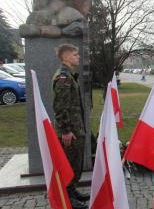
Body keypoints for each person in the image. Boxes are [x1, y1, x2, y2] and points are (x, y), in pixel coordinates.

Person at [52, 44, 89, 209]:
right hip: (70, 132)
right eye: (75, 55)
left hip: (76, 129)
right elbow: (60, 107)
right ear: (66, 58)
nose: (78, 57)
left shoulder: (69, 76)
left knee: (75, 163)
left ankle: (72, 190)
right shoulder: (63, 78)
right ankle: (67, 198)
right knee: (70, 164)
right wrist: (66, 131)